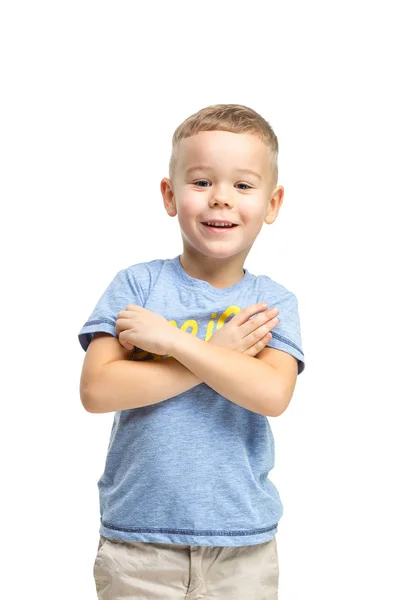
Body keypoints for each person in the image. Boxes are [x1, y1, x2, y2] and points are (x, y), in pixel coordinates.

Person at [78, 103, 305, 599]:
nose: (221, 198)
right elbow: (97, 390)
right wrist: (218, 355)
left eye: (243, 185)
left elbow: (270, 394)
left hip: (241, 546)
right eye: (201, 182)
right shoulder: (138, 284)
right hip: (137, 543)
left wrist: (176, 342)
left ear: (272, 202)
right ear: (169, 194)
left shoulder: (272, 302)